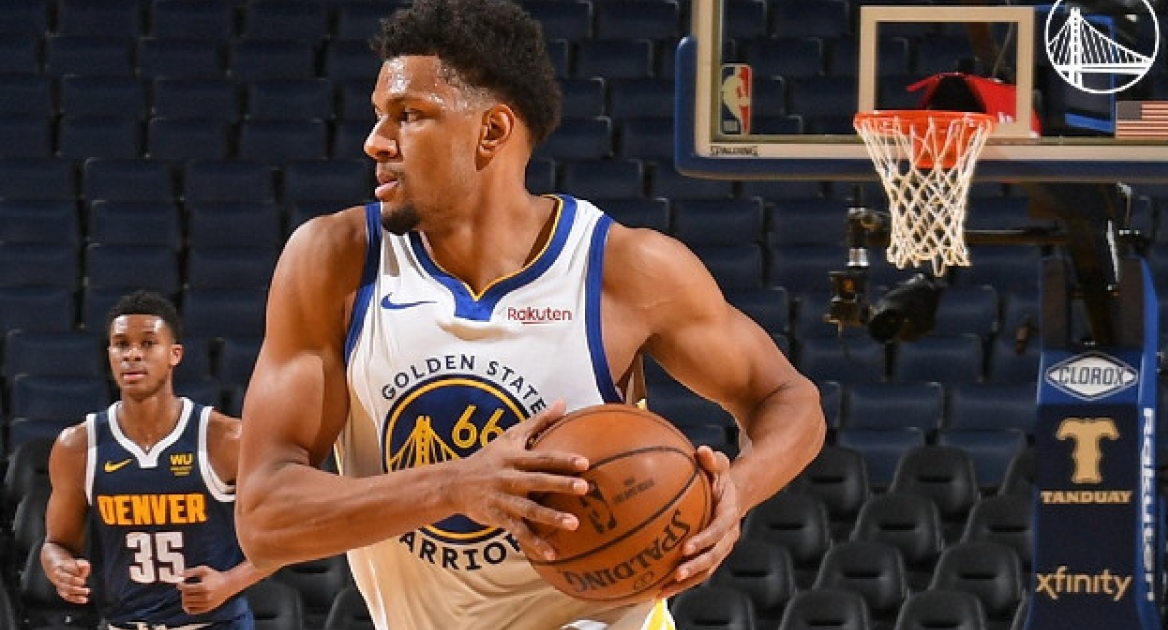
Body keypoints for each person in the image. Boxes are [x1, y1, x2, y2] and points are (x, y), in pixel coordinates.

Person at [234, 0, 826, 627]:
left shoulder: (624, 269)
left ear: (491, 131)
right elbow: (265, 520)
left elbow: (790, 399)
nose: (375, 141)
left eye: (409, 116)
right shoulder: (336, 262)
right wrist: (454, 486)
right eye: (379, 114)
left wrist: (735, 493)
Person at [42, 290, 270, 630]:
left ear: (174, 354)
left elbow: (284, 538)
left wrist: (229, 583)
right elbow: (56, 543)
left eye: (148, 344)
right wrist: (59, 568)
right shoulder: (77, 447)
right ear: (109, 354)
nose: (132, 354)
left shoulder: (225, 439)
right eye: (121, 344)